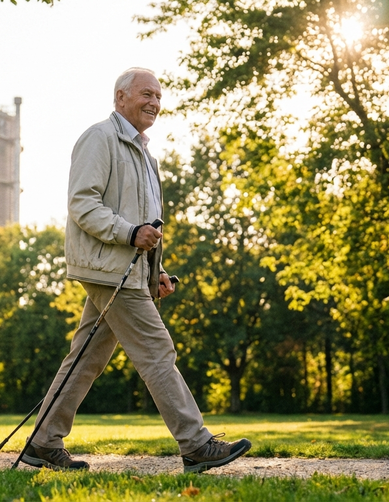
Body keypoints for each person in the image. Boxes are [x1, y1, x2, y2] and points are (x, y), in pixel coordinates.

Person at [22, 67, 252, 473]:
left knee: (85, 358)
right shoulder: (100, 138)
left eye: (159, 96)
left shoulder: (146, 155)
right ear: (120, 97)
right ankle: (196, 444)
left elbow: (149, 224)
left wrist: (154, 271)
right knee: (157, 352)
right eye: (146, 93)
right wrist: (129, 235)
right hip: (107, 269)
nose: (154, 102)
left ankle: (42, 441)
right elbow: (83, 204)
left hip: (126, 272)